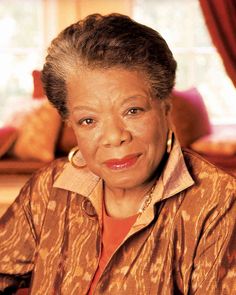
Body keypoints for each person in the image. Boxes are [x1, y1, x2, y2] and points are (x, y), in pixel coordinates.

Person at [0, 13, 235, 295]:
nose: (114, 137)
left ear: (165, 107)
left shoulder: (219, 204)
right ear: (71, 124)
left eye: (132, 111)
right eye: (88, 120)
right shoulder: (48, 188)